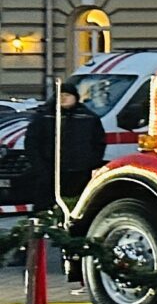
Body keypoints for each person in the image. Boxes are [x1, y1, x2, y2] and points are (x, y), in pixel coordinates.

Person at [22, 82, 106, 210]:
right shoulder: (44, 117)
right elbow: (32, 143)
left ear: (75, 97)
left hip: (79, 173)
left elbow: (98, 143)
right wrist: (40, 167)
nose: (63, 98)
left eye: (67, 95)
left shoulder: (88, 117)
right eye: (60, 95)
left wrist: (90, 163)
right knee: (45, 207)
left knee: (77, 206)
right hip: (49, 172)